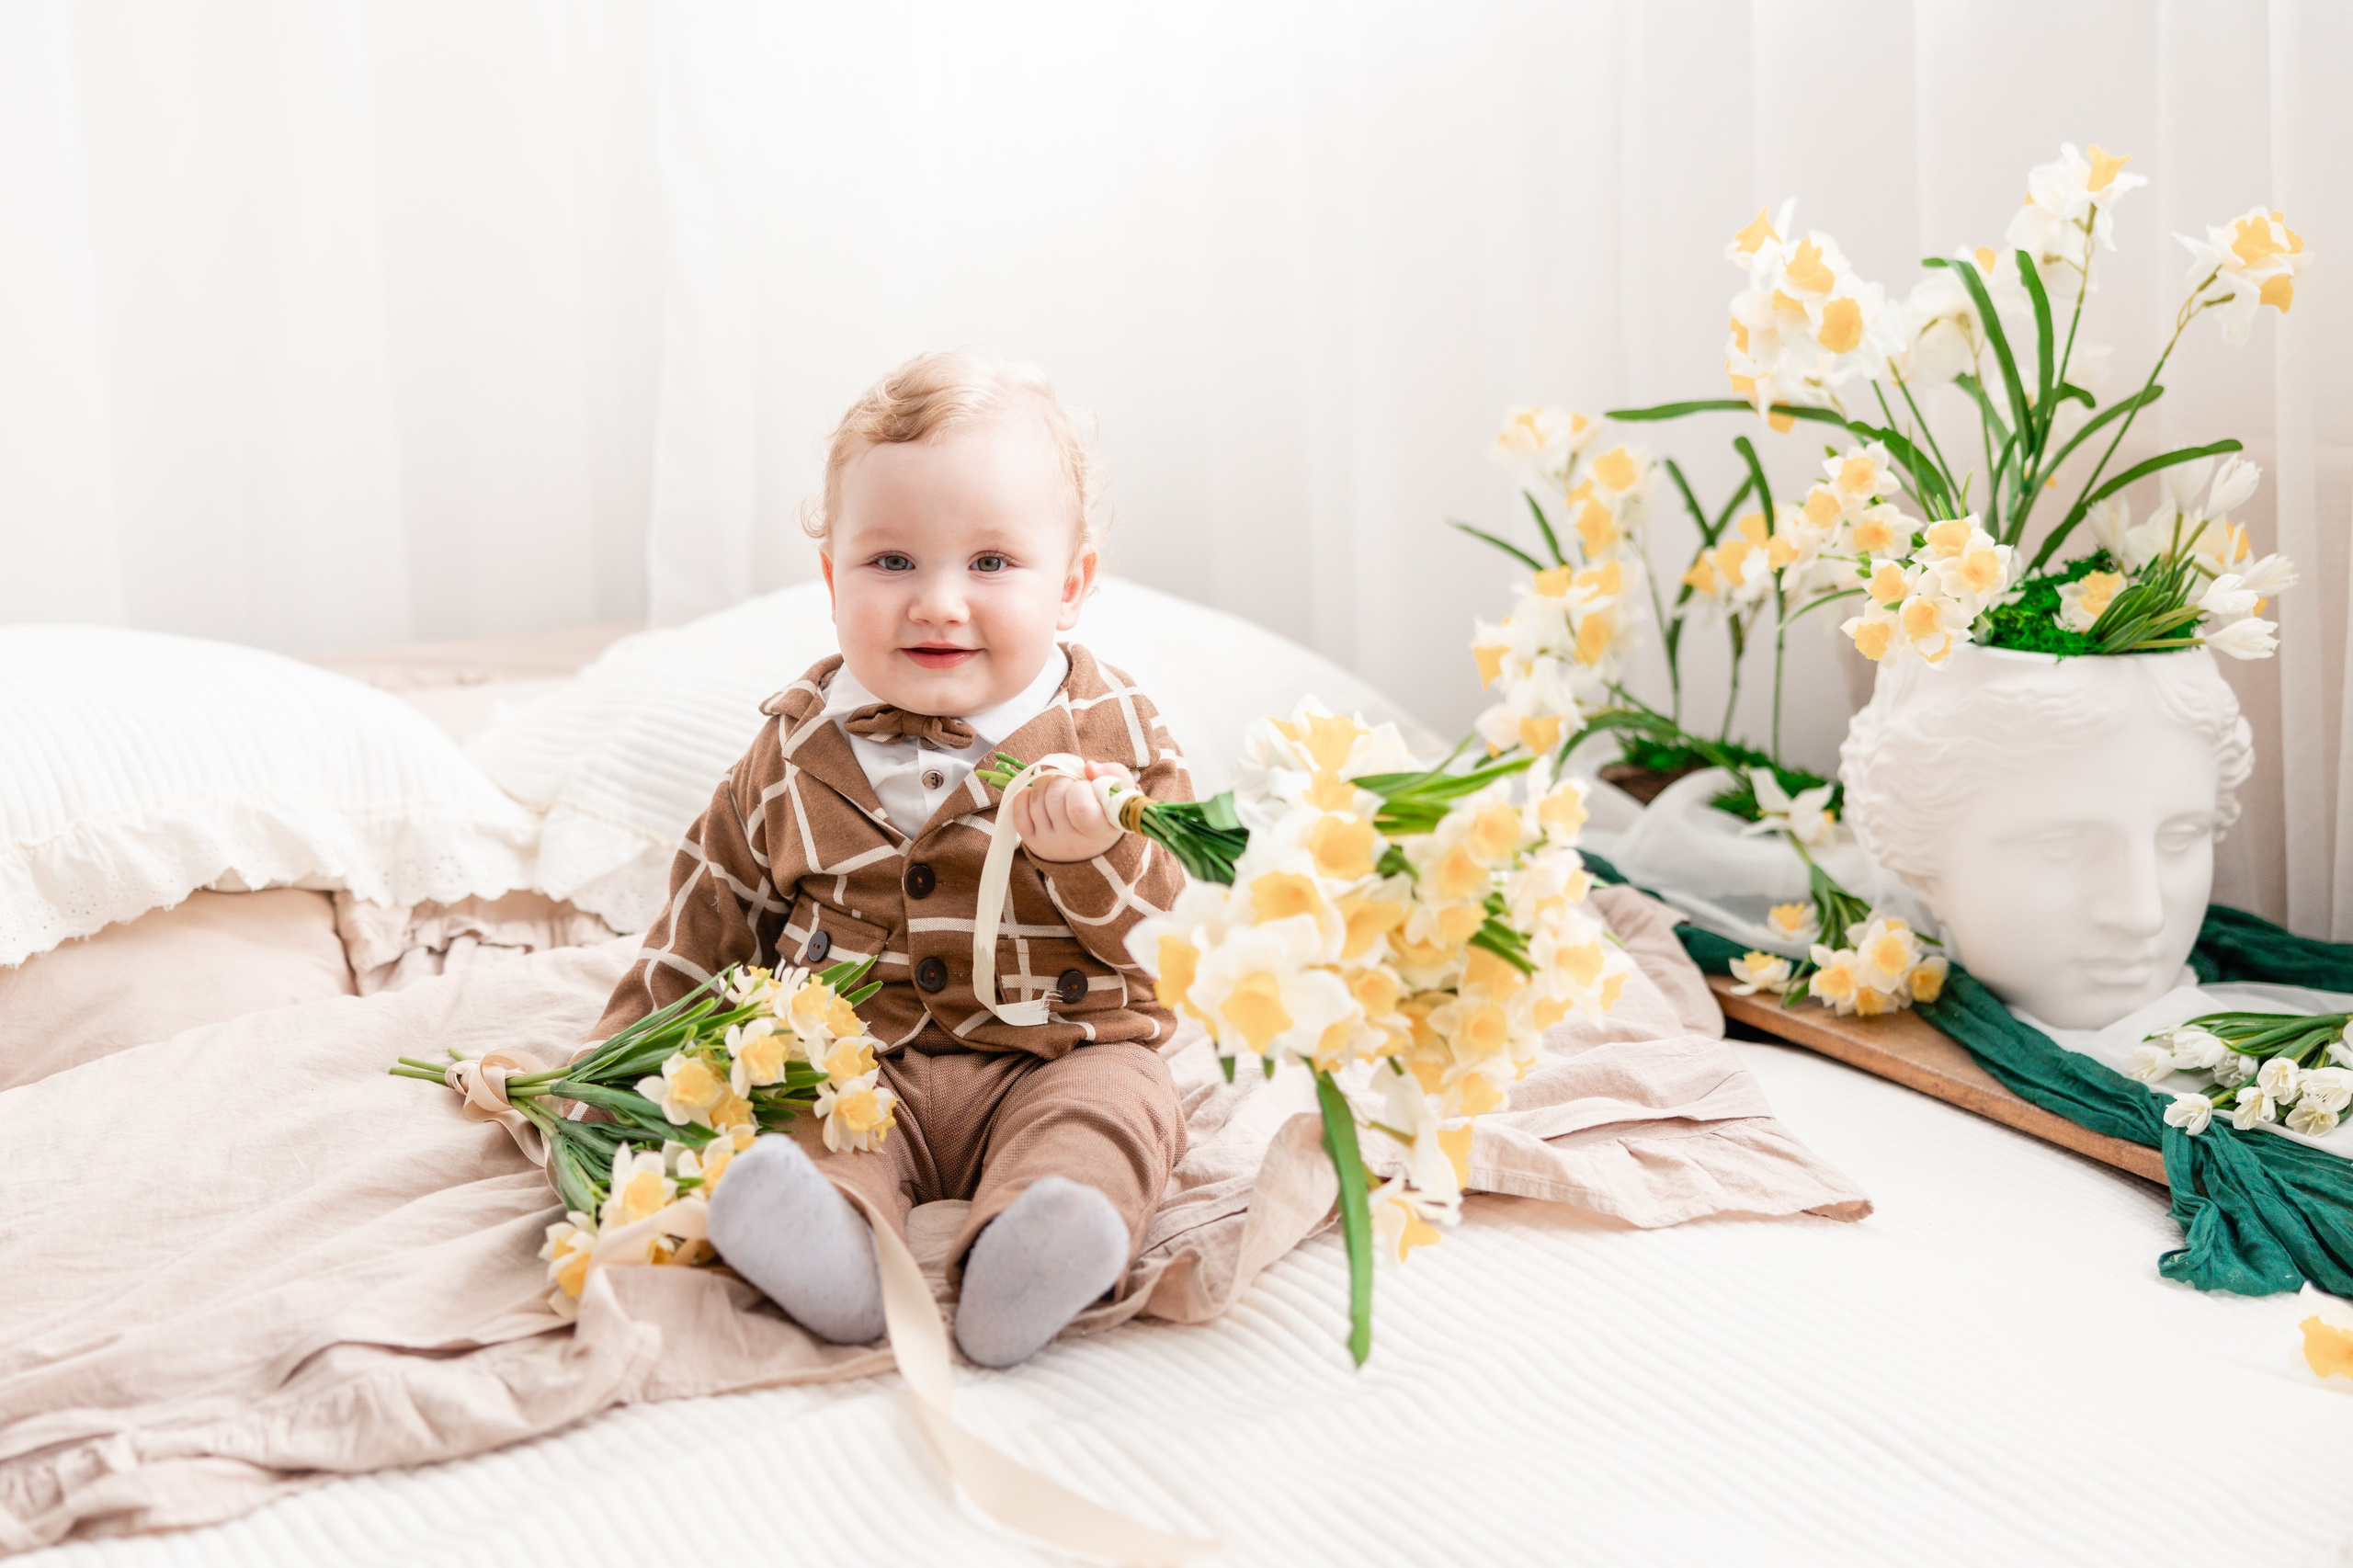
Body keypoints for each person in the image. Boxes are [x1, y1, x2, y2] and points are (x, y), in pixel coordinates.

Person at [589, 350, 1189, 1367]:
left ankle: (1041, 1241)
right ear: (832, 579)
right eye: (893, 561)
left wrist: (1094, 853)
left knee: (1118, 1108)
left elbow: (1169, 928)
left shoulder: (1110, 734)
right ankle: (827, 1245)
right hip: (856, 1063)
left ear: (1072, 584)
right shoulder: (793, 746)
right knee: (803, 1131)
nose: (940, 602)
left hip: (1062, 1045)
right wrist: (619, 1066)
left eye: (992, 563)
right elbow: (713, 906)